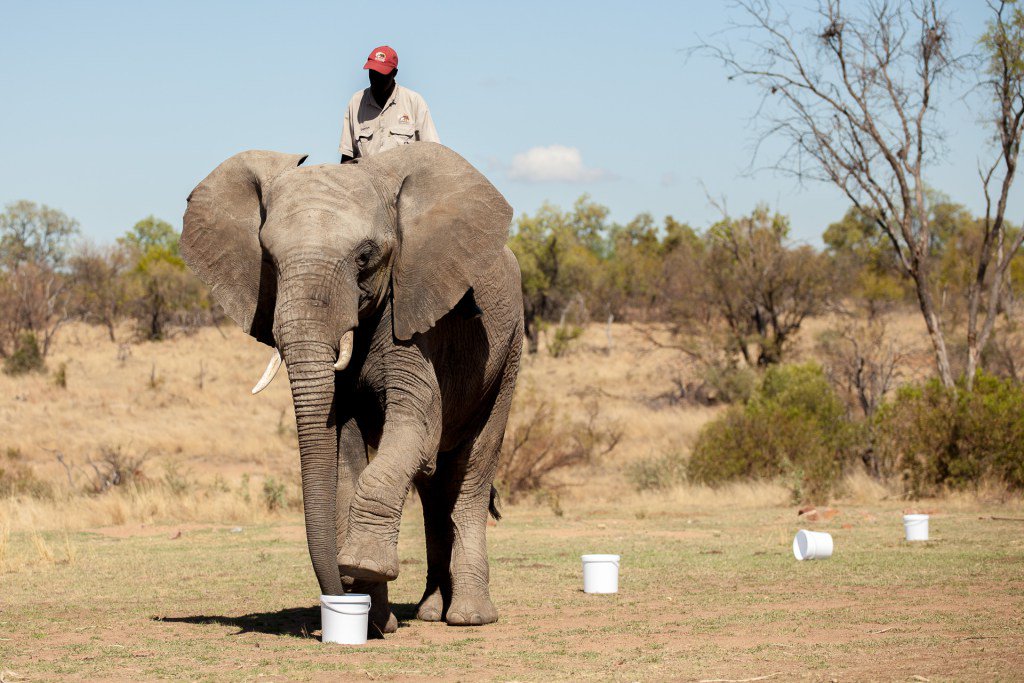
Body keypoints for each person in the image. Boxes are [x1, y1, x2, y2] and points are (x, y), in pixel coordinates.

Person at [339, 45, 440, 163]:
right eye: (373, 73)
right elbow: (346, 158)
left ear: (394, 73)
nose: (376, 79)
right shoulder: (356, 102)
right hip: (364, 179)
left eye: (382, 75)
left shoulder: (414, 102)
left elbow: (433, 153)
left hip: (403, 180)